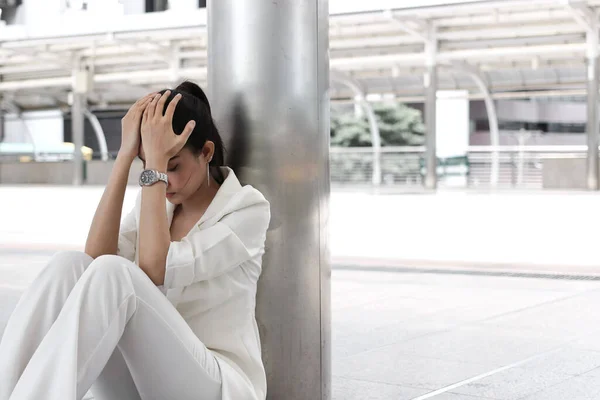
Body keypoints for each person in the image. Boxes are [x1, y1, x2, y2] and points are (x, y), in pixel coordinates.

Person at [0, 81, 270, 400]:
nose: (161, 179)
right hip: (145, 380)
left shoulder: (246, 209)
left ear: (206, 152)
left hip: (213, 383)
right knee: (69, 265)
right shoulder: (158, 203)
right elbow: (94, 260)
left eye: (172, 166)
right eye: (150, 166)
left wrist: (153, 167)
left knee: (117, 274)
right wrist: (125, 156)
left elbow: (153, 267)